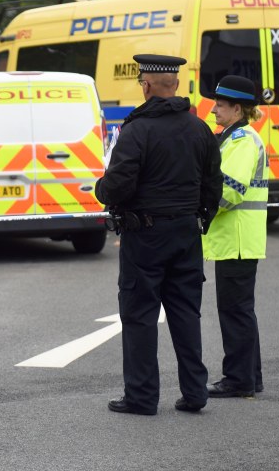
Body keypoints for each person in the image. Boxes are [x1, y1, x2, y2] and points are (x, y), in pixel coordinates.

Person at [95, 54, 222, 415]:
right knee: (185, 313)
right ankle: (196, 393)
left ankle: (141, 397)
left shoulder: (138, 130)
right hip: (186, 233)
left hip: (145, 236)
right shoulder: (199, 129)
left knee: (139, 316)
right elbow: (214, 184)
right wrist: (200, 219)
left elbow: (118, 184)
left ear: (146, 85)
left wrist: (100, 189)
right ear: (176, 85)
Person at [203, 75, 269, 399]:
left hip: (238, 240)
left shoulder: (243, 140)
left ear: (237, 109)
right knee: (241, 311)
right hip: (236, 240)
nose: (214, 109)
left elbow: (230, 191)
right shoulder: (231, 138)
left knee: (235, 312)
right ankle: (249, 378)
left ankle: (238, 379)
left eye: (220, 104)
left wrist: (199, 209)